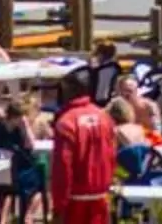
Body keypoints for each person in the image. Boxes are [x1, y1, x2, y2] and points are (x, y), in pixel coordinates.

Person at [49, 69, 117, 223]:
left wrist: (59, 205)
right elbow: (112, 155)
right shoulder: (104, 117)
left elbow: (63, 166)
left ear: (70, 90)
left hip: (75, 201)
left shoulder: (66, 122)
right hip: (101, 197)